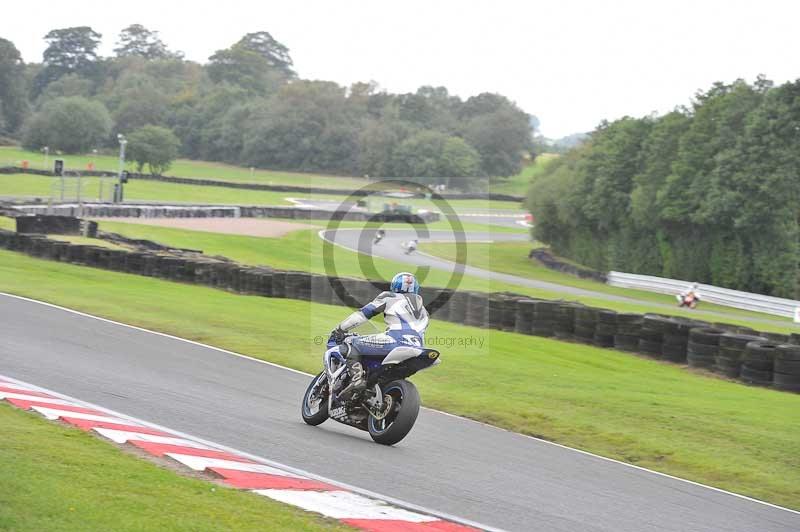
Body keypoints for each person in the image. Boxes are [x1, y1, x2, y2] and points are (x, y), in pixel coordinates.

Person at [330, 272, 429, 391]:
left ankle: (357, 379)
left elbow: (362, 315)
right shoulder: (424, 312)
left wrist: (340, 329)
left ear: (395, 286)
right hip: (418, 349)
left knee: (350, 343)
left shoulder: (389, 297)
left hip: (394, 341)